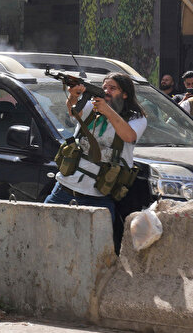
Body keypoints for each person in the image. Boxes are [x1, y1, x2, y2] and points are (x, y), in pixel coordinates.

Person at [44, 72, 147, 223]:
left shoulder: (136, 118)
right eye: (104, 87)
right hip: (65, 189)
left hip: (99, 197)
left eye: (112, 88)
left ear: (125, 94)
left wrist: (107, 110)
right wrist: (73, 96)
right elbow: (73, 112)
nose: (106, 91)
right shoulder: (91, 108)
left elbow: (129, 136)